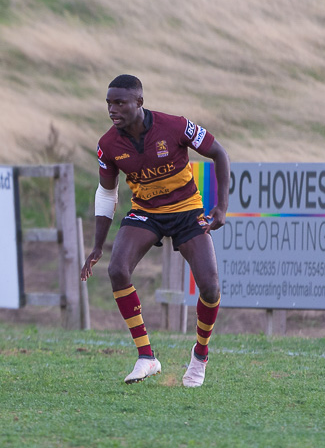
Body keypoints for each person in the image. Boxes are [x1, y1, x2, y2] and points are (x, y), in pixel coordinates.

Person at [80, 74, 229, 388]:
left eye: (119, 102)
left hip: (187, 211)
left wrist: (221, 207)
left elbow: (219, 154)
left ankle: (200, 354)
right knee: (118, 270)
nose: (112, 109)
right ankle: (146, 356)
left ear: (139, 102)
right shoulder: (108, 145)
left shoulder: (174, 126)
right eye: (108, 103)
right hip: (146, 212)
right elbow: (107, 193)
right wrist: (97, 246)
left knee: (211, 288)